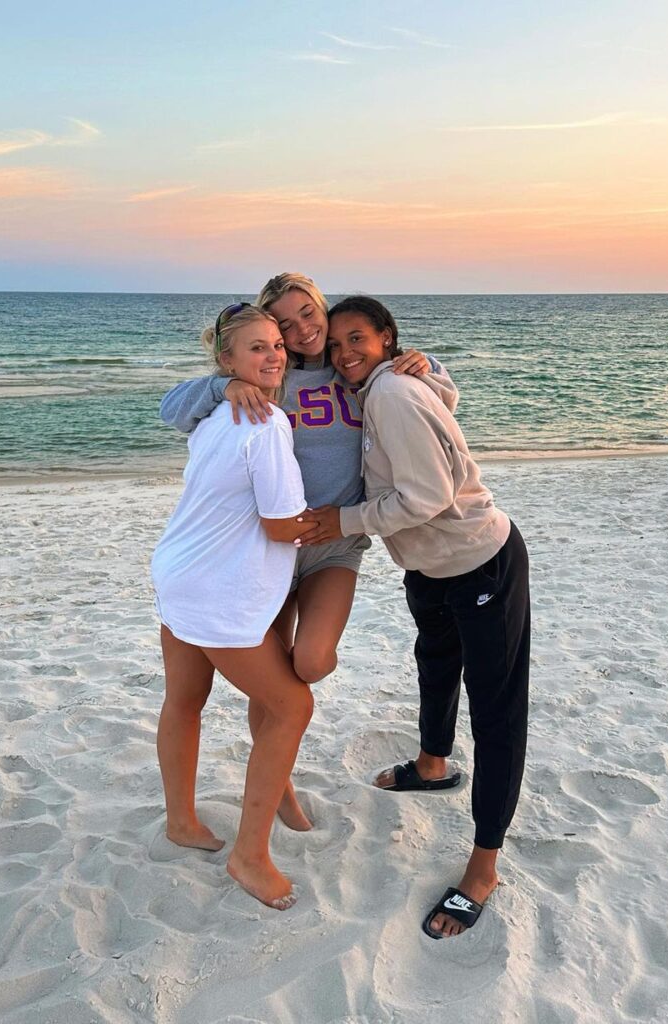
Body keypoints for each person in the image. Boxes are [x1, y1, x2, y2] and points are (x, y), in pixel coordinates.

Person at [159, 274, 455, 831]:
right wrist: (221, 388)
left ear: (324, 309)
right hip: (271, 549)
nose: (299, 330)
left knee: (310, 662)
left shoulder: (358, 371)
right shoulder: (272, 377)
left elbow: (435, 400)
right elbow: (172, 408)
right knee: (278, 683)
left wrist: (429, 365)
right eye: (284, 324)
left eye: (306, 314)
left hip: (336, 541)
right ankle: (280, 788)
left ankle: (273, 774)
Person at [298, 296, 531, 940]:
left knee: (496, 711)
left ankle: (483, 867)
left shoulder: (392, 394)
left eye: (358, 340)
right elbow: (443, 411)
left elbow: (426, 497)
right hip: (430, 569)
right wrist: (432, 371)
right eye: (337, 342)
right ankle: (433, 766)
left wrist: (342, 522)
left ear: (386, 340)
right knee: (435, 667)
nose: (344, 353)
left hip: (479, 561)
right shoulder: (391, 385)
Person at [151, 303, 313, 911]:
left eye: (277, 345)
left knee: (185, 701)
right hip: (215, 591)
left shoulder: (215, 412)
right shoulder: (266, 421)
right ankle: (249, 855)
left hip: (177, 573)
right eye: (257, 349)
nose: (274, 355)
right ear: (227, 361)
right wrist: (334, 525)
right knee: (293, 705)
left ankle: (181, 822)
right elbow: (279, 525)